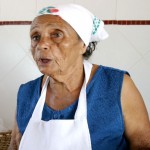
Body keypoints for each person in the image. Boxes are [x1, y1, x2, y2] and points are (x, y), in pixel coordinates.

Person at [8, 3, 150, 150]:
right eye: (36, 37)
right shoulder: (26, 93)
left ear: (83, 44)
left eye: (56, 34)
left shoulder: (117, 85)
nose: (41, 44)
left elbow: (143, 144)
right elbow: (15, 145)